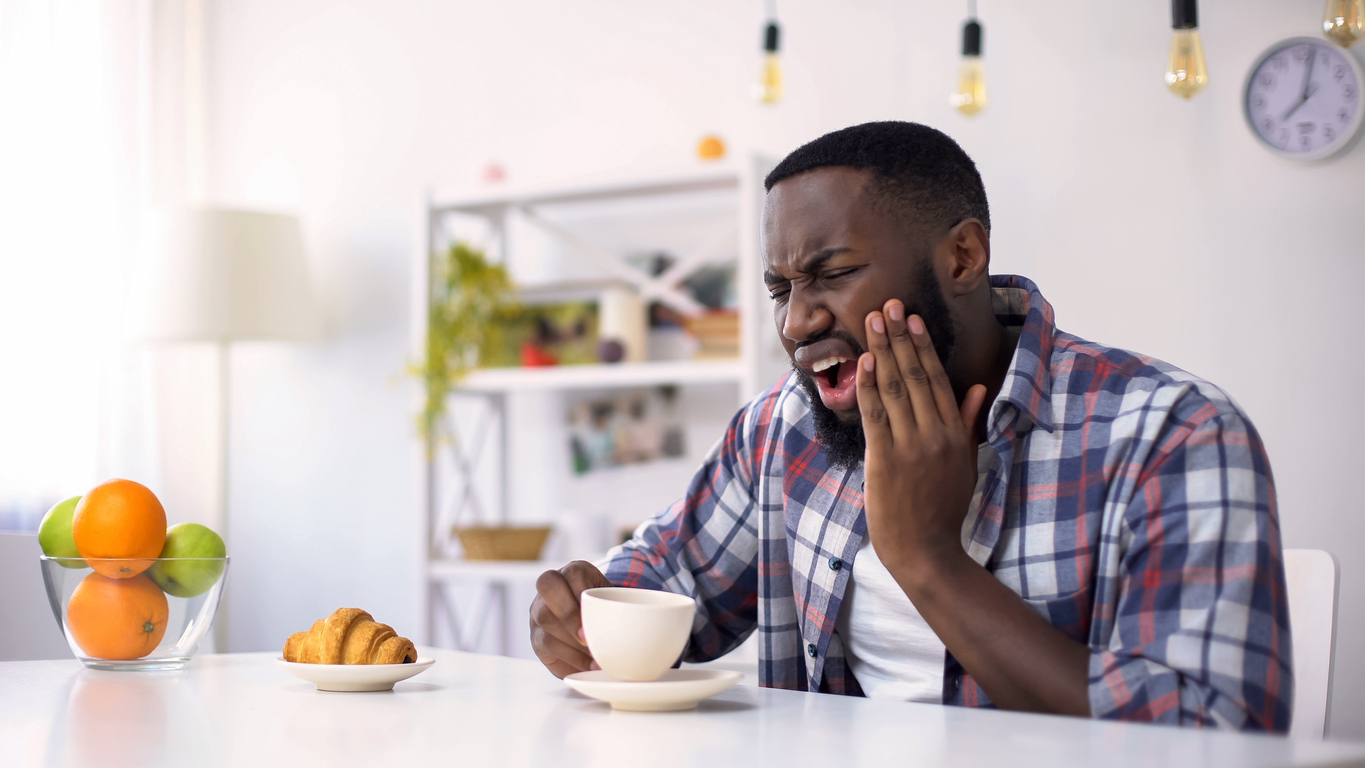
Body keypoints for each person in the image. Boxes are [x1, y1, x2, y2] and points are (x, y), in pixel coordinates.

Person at [529, 121, 1292, 731]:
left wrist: (927, 559)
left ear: (962, 257)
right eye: (779, 287)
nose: (796, 321)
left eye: (831, 274)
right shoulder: (782, 429)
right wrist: (578, 611)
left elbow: (1214, 736)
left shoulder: (1173, 435)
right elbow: (659, 594)